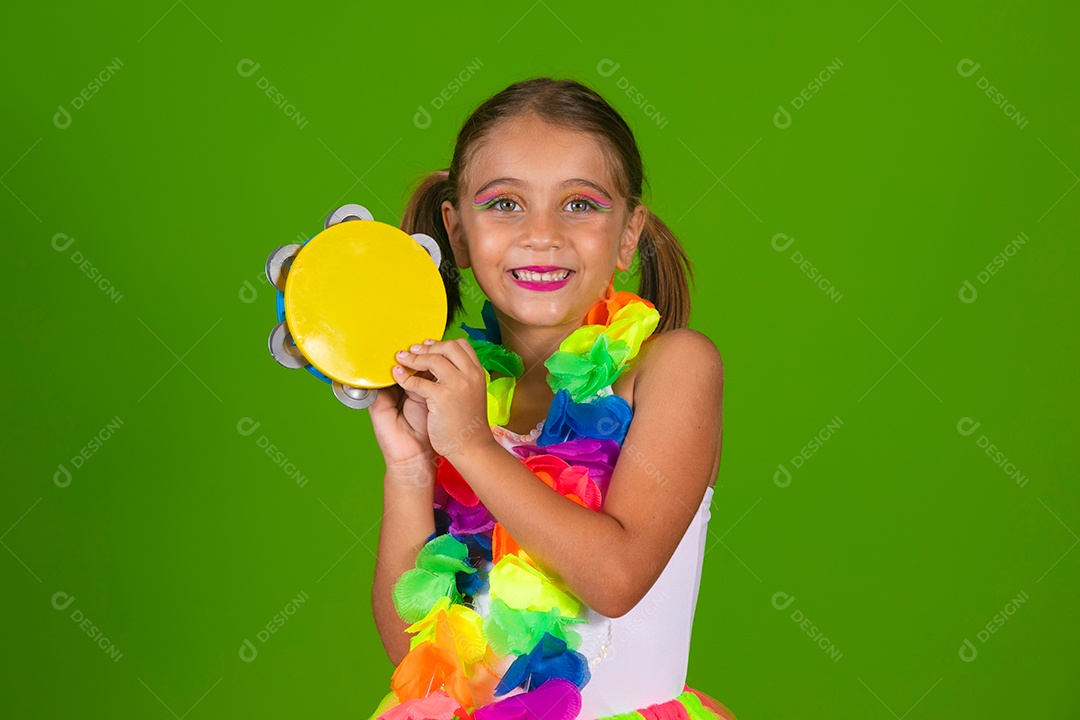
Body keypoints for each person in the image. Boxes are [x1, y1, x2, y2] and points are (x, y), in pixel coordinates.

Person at [365, 76, 735, 720]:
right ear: (457, 232)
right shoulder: (468, 393)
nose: (543, 234)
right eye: (505, 204)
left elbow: (616, 578)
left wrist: (472, 445)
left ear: (628, 234)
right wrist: (410, 469)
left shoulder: (674, 367)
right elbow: (415, 659)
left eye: (581, 204)